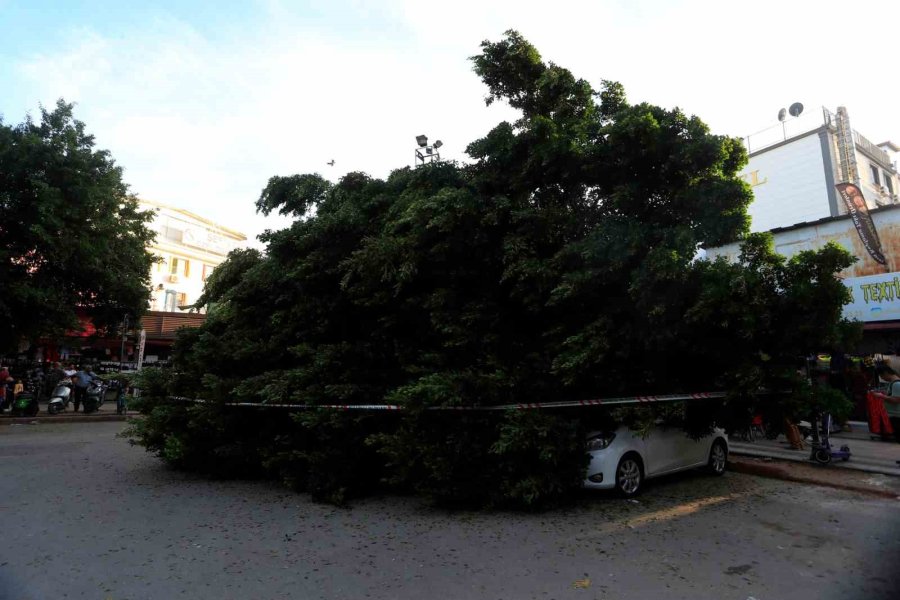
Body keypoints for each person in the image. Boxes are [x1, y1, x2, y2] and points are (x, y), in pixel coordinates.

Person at [872, 366, 900, 443]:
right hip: (894, 416)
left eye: (881, 376)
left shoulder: (896, 384)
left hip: (897, 416)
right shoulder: (893, 383)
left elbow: (896, 400)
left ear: (886, 373)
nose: (882, 378)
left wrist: (882, 396)